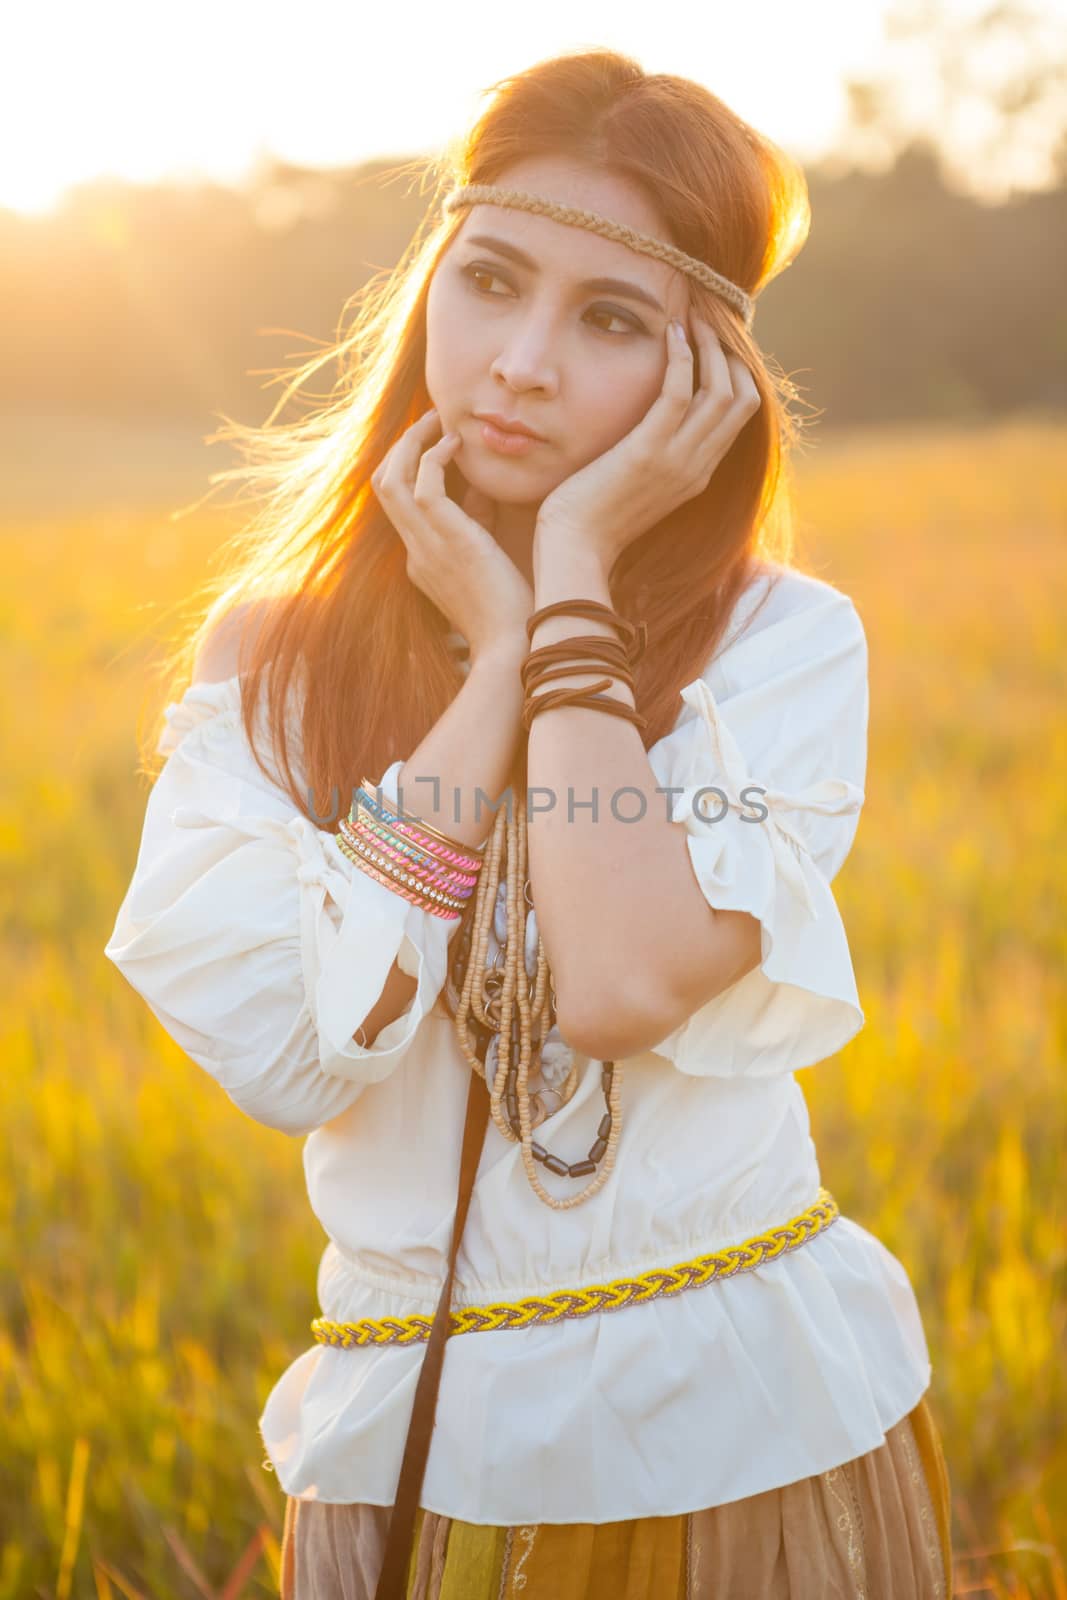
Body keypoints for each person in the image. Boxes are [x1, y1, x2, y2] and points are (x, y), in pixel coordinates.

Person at [104, 46, 954, 1600]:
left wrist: (567, 584)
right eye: (491, 282)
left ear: (702, 378)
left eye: (610, 319)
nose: (520, 362)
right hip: (409, 1456)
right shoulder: (269, 658)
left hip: (736, 1433)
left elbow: (627, 983)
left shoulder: (784, 645)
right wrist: (488, 671)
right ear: (434, 284)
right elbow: (300, 1057)